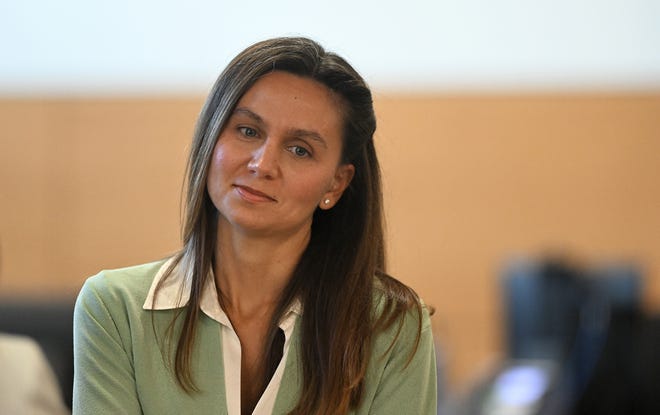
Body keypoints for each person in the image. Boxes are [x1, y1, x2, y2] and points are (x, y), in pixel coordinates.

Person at [73, 36, 436, 415]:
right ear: (211, 138)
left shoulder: (393, 326)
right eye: (248, 131)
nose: (262, 164)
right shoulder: (115, 310)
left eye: (300, 149)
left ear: (336, 184)